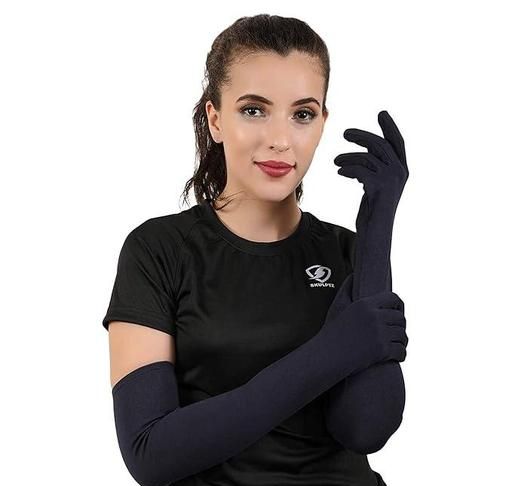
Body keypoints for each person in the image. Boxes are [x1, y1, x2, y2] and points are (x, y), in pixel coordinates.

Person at [102, 14, 407, 486]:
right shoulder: (158, 251)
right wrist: (332, 352)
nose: (280, 140)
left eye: (302, 114)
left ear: (322, 123)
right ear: (215, 119)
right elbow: (150, 453)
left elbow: (366, 427)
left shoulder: (348, 252)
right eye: (253, 110)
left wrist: (377, 228)